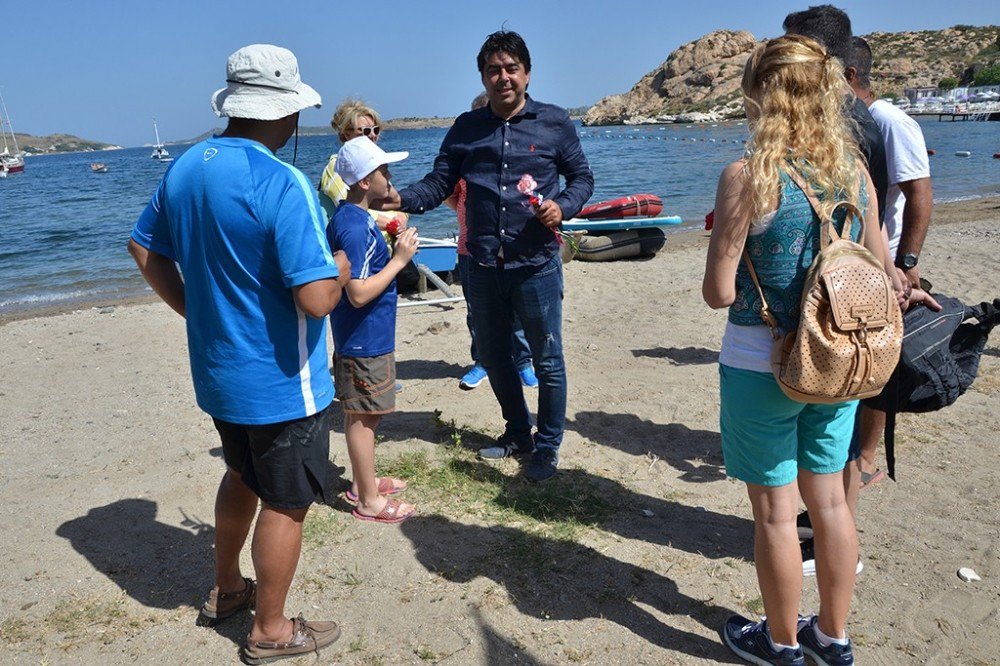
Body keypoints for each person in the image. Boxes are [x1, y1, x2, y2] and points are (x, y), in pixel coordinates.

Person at [127, 44, 347, 664]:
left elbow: (144, 248)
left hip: (221, 373)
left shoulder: (189, 167)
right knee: (285, 498)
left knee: (241, 474)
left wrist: (196, 312)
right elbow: (316, 301)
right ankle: (271, 630)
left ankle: (228, 589)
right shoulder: (284, 182)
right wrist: (339, 267)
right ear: (285, 114)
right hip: (283, 379)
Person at [703, 35, 891, 666]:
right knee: (831, 500)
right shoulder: (856, 176)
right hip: (838, 361)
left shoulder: (747, 177)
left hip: (763, 363)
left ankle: (781, 645)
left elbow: (718, 291)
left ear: (762, 93)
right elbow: (880, 270)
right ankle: (832, 639)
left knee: (777, 516)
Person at [376, 30, 594, 482]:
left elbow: (582, 179)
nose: (503, 77)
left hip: (536, 263)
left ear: (527, 74)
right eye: (493, 70)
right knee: (494, 356)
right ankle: (519, 433)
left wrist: (565, 206)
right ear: (483, 76)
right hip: (480, 265)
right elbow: (439, 184)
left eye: (511, 68)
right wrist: (399, 198)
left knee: (547, 358)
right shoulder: (465, 128)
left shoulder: (554, 122)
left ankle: (548, 446)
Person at [847, 36, 934, 488]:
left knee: (878, 363)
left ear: (850, 76)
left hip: (887, 260)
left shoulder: (888, 121)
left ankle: (864, 456)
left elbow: (919, 191)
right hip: (860, 260)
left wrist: (907, 261)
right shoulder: (854, 120)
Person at [329, 137, 419, 523]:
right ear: (365, 181)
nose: (390, 176)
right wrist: (399, 261)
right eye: (383, 170)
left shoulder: (356, 218)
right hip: (363, 342)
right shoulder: (354, 227)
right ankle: (368, 501)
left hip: (364, 339)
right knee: (365, 419)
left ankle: (363, 482)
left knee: (362, 415)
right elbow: (359, 293)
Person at [444, 92, 537, 392]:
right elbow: (449, 192)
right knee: (477, 311)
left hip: (510, 248)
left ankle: (523, 362)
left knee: (517, 310)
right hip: (470, 249)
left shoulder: (512, 156)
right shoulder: (464, 158)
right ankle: (482, 361)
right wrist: (465, 211)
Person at [318, 99, 408, 231]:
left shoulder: (376, 167)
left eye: (375, 130)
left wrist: (402, 217)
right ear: (347, 134)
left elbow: (396, 201)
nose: (372, 135)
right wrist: (394, 225)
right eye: (365, 131)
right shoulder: (338, 169)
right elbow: (353, 212)